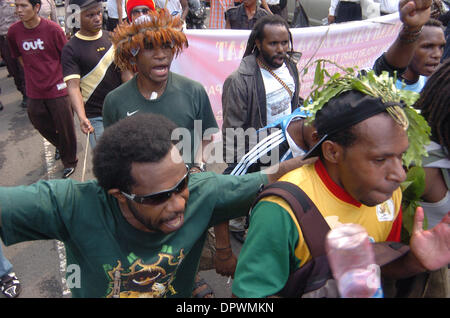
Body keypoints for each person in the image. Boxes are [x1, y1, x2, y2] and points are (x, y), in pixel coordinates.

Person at [0, 113, 311, 297]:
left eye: (182, 185)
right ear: (118, 194)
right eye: (157, 197)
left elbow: (273, 176)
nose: (178, 204)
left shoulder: (205, 193)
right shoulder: (69, 205)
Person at [232, 71, 450, 298]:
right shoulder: (280, 211)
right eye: (380, 159)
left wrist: (415, 262)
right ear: (332, 151)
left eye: (401, 156)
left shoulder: (388, 196)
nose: (398, 175)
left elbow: (376, 268)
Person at [221, 14, 301, 242]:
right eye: (273, 43)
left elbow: (292, 103)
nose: (281, 49)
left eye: (284, 43)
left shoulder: (291, 68)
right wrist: (238, 162)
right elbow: (232, 128)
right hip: (254, 148)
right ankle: (235, 227)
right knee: (246, 195)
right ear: (258, 43)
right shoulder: (240, 80)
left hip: (284, 144)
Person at [103, 9, 218, 168]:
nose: (161, 55)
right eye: (149, 47)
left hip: (190, 187)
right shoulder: (114, 102)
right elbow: (113, 153)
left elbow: (206, 138)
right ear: (133, 55)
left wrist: (198, 167)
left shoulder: (194, 91)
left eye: (166, 46)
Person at [213, 108, 318, 278]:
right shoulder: (268, 147)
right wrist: (224, 251)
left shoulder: (318, 135)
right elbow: (221, 193)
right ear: (317, 138)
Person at [7, 0, 78, 178]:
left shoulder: (53, 29)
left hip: (57, 86)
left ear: (36, 7)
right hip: (34, 88)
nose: (18, 10)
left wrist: (67, 83)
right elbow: (19, 58)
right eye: (16, 6)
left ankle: (69, 161)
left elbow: (67, 57)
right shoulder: (13, 32)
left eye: (23, 6)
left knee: (65, 125)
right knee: (37, 119)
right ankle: (62, 146)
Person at [62, 0, 129, 148]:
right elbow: (73, 87)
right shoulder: (70, 49)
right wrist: (82, 117)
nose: (97, 18)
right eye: (90, 15)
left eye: (99, 13)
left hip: (121, 111)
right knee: (106, 162)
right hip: (95, 117)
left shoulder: (113, 38)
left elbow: (125, 74)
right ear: (77, 17)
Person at [372, 1, 446, 93]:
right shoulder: (380, 84)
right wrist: (411, 30)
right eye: (427, 47)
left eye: (441, 47)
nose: (437, 54)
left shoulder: (435, 87)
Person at [0, 0, 27, 108]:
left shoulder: (17, 3)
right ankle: (22, 90)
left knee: (23, 67)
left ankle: (27, 94)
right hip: (3, 39)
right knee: (12, 69)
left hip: (19, 37)